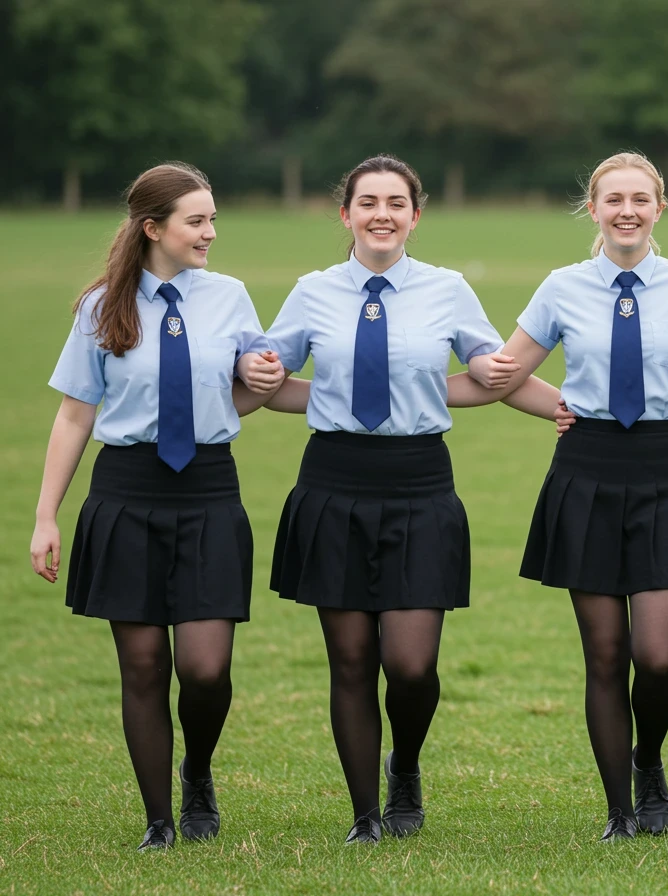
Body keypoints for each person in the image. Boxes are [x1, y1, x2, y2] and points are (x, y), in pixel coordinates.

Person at [457, 151, 668, 841]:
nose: (627, 209)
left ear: (660, 207)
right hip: (586, 471)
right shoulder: (562, 287)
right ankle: (620, 811)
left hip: (665, 469)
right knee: (605, 656)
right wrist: (558, 405)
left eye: (640, 198)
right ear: (593, 209)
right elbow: (505, 374)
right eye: (613, 199)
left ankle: (648, 759)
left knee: (657, 657)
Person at [257, 154, 564, 845]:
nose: (382, 215)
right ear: (346, 215)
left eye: (396, 203)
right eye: (368, 202)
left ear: (415, 216)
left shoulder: (448, 290)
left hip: (421, 485)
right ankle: (366, 814)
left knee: (412, 665)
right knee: (352, 661)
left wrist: (507, 375)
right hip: (332, 484)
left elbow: (490, 367)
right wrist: (269, 373)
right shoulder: (311, 292)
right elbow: (267, 379)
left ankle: (407, 766)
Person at [29, 162, 284, 851]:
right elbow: (75, 416)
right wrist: (47, 515)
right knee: (141, 667)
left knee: (205, 668)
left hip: (208, 492)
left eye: (212, 220)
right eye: (196, 221)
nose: (209, 233)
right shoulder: (99, 307)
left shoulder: (229, 297)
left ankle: (196, 772)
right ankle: (159, 821)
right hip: (125, 495)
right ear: (154, 228)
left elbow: (255, 383)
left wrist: (255, 383)